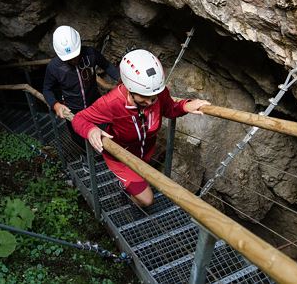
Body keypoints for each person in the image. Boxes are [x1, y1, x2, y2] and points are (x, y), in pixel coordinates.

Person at [72, 49, 210, 207]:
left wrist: (185, 105)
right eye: (144, 97)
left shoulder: (158, 92)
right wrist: (91, 130)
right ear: (130, 89)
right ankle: (130, 198)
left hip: (144, 154)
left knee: (143, 180)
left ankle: (131, 187)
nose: (151, 102)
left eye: (154, 97)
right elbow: (79, 119)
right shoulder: (112, 103)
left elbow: (169, 109)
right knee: (147, 200)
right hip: (120, 157)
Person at [43, 25, 120, 151]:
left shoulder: (90, 54)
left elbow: (107, 66)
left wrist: (122, 80)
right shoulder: (54, 67)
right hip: (73, 111)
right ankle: (86, 158)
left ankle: (107, 157)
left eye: (75, 55)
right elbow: (47, 89)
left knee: (106, 132)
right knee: (79, 138)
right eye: (69, 58)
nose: (73, 59)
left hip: (96, 105)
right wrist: (55, 105)